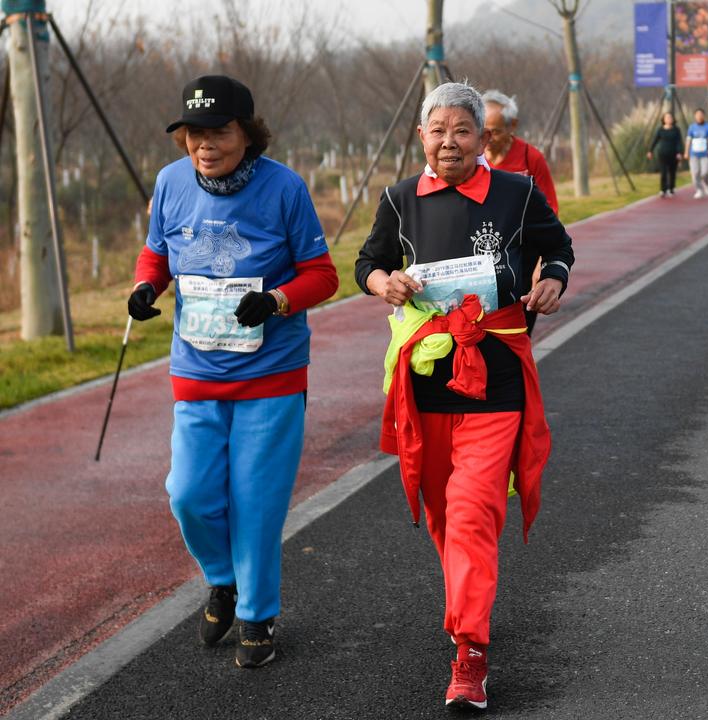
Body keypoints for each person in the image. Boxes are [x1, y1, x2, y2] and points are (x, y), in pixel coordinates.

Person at [355, 82, 573, 711]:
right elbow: (367, 262)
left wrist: (552, 278)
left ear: (483, 139)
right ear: (420, 135)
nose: (448, 142)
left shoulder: (516, 191)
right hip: (425, 384)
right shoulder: (399, 200)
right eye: (437, 130)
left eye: (462, 131)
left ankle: (470, 654)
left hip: (496, 376)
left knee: (476, 512)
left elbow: (556, 247)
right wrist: (383, 282)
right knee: (447, 517)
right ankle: (466, 606)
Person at [127, 74, 338, 669]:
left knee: (255, 503)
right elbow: (156, 251)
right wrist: (146, 285)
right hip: (197, 371)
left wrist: (276, 301)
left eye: (218, 131)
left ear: (247, 133)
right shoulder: (170, 184)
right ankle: (222, 580)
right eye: (195, 133)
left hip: (270, 374)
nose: (205, 144)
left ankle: (257, 616)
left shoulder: (284, 189)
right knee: (188, 494)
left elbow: (323, 274)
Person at [481, 89, 559, 335]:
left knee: (520, 330)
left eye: (495, 130)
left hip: (524, 255)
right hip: (484, 253)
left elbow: (550, 212)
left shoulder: (530, 157)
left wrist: (542, 265)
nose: (488, 137)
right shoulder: (473, 159)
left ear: (512, 125)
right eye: (483, 129)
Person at [647, 112, 684, 197]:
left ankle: (671, 188)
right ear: (663, 120)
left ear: (673, 119)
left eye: (670, 117)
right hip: (662, 154)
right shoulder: (660, 130)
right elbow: (655, 140)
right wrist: (650, 151)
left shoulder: (676, 130)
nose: (668, 119)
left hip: (673, 154)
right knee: (663, 172)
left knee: (672, 172)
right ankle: (663, 189)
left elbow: (679, 142)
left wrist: (679, 152)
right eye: (666, 118)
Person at [684, 107, 708, 199]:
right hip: (694, 154)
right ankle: (699, 190)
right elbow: (688, 140)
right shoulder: (692, 127)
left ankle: (707, 184)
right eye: (697, 115)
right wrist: (686, 152)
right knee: (695, 173)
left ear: (704, 116)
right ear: (695, 116)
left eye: (701, 115)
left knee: (705, 172)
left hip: (705, 154)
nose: (699, 116)